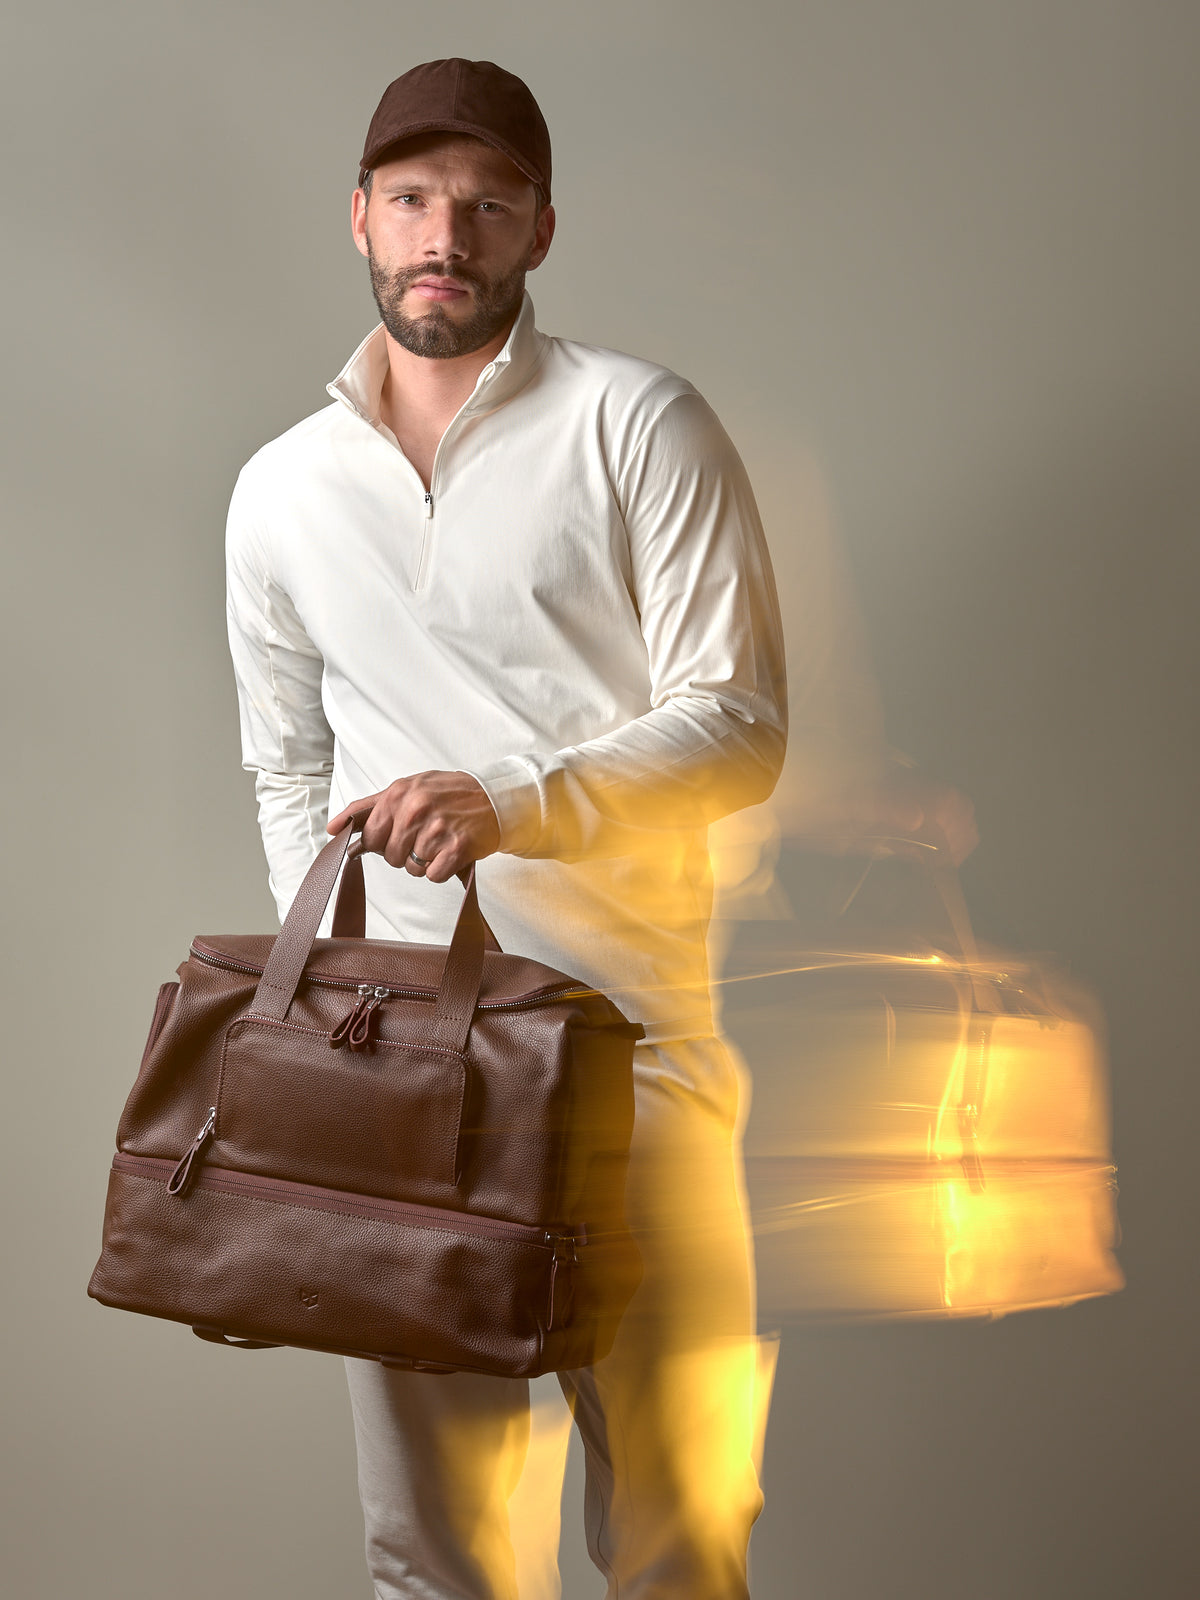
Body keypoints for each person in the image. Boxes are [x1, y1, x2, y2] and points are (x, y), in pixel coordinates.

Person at [225, 57, 973, 1600]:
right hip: (397, 1074)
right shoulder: (282, 492)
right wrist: (336, 1006)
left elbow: (742, 722)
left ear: (541, 227)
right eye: (419, 199)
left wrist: (510, 807)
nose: (449, 233)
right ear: (360, 216)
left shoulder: (642, 422)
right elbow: (287, 774)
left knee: (683, 1531)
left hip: (635, 1050)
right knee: (433, 1553)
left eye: (488, 203)